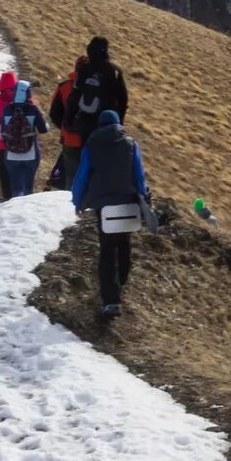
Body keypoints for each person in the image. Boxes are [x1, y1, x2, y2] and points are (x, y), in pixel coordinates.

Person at [69, 108, 150, 318]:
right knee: (124, 244)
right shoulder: (131, 144)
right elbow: (139, 174)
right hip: (127, 201)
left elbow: (83, 175)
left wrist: (78, 201)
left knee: (107, 250)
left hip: (104, 206)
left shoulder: (92, 145)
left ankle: (110, 301)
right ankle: (120, 284)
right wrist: (143, 196)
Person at [50, 37, 129, 189]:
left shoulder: (84, 70)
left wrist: (68, 122)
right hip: (106, 128)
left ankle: (73, 205)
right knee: (101, 172)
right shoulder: (114, 71)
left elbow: (74, 98)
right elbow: (123, 101)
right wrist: (119, 124)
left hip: (82, 127)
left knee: (75, 175)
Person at [0, 80, 47, 200]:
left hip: (11, 155)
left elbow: (2, 134)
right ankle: (26, 213)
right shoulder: (33, 109)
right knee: (28, 188)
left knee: (16, 189)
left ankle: (16, 210)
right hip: (31, 154)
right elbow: (43, 129)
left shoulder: (6, 110)